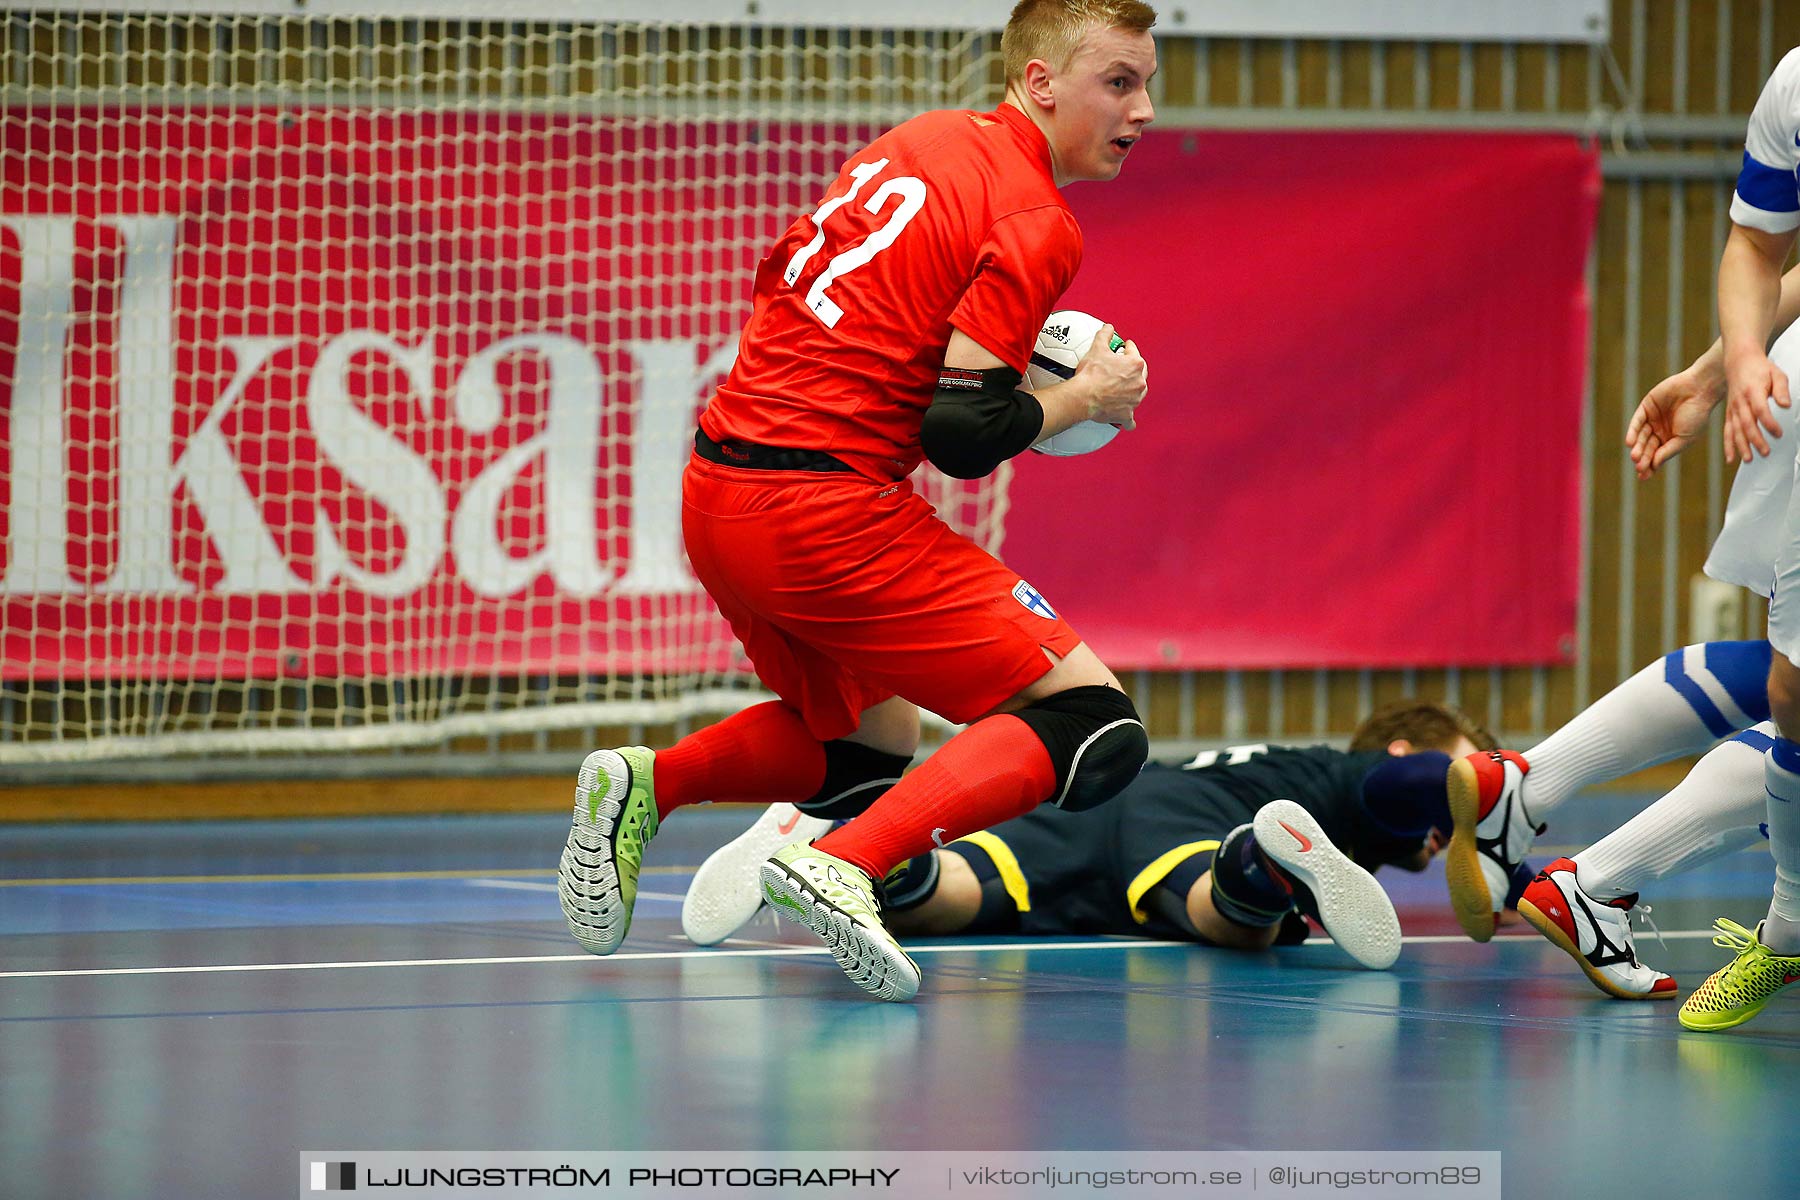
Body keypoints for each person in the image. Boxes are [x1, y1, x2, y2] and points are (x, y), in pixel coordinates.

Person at [557, 1, 1159, 1001]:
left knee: (863, 750)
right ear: (1042, 83)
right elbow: (959, 436)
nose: (1143, 108)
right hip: (820, 510)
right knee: (1097, 729)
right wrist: (1078, 398)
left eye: (1147, 82)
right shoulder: (1035, 217)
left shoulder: (919, 139)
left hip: (718, 491)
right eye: (1120, 81)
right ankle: (841, 865)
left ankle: (649, 785)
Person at [683, 701, 1505, 969]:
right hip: (1181, 823)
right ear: (1410, 752)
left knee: (936, 902)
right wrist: (1519, 782)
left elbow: (1494, 884)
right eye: (1458, 778)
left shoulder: (1355, 801)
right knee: (1235, 925)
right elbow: (1419, 785)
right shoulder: (1362, 779)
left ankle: (831, 842)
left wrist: (1525, 879)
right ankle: (1260, 861)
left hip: (1085, 826)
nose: (1451, 816)